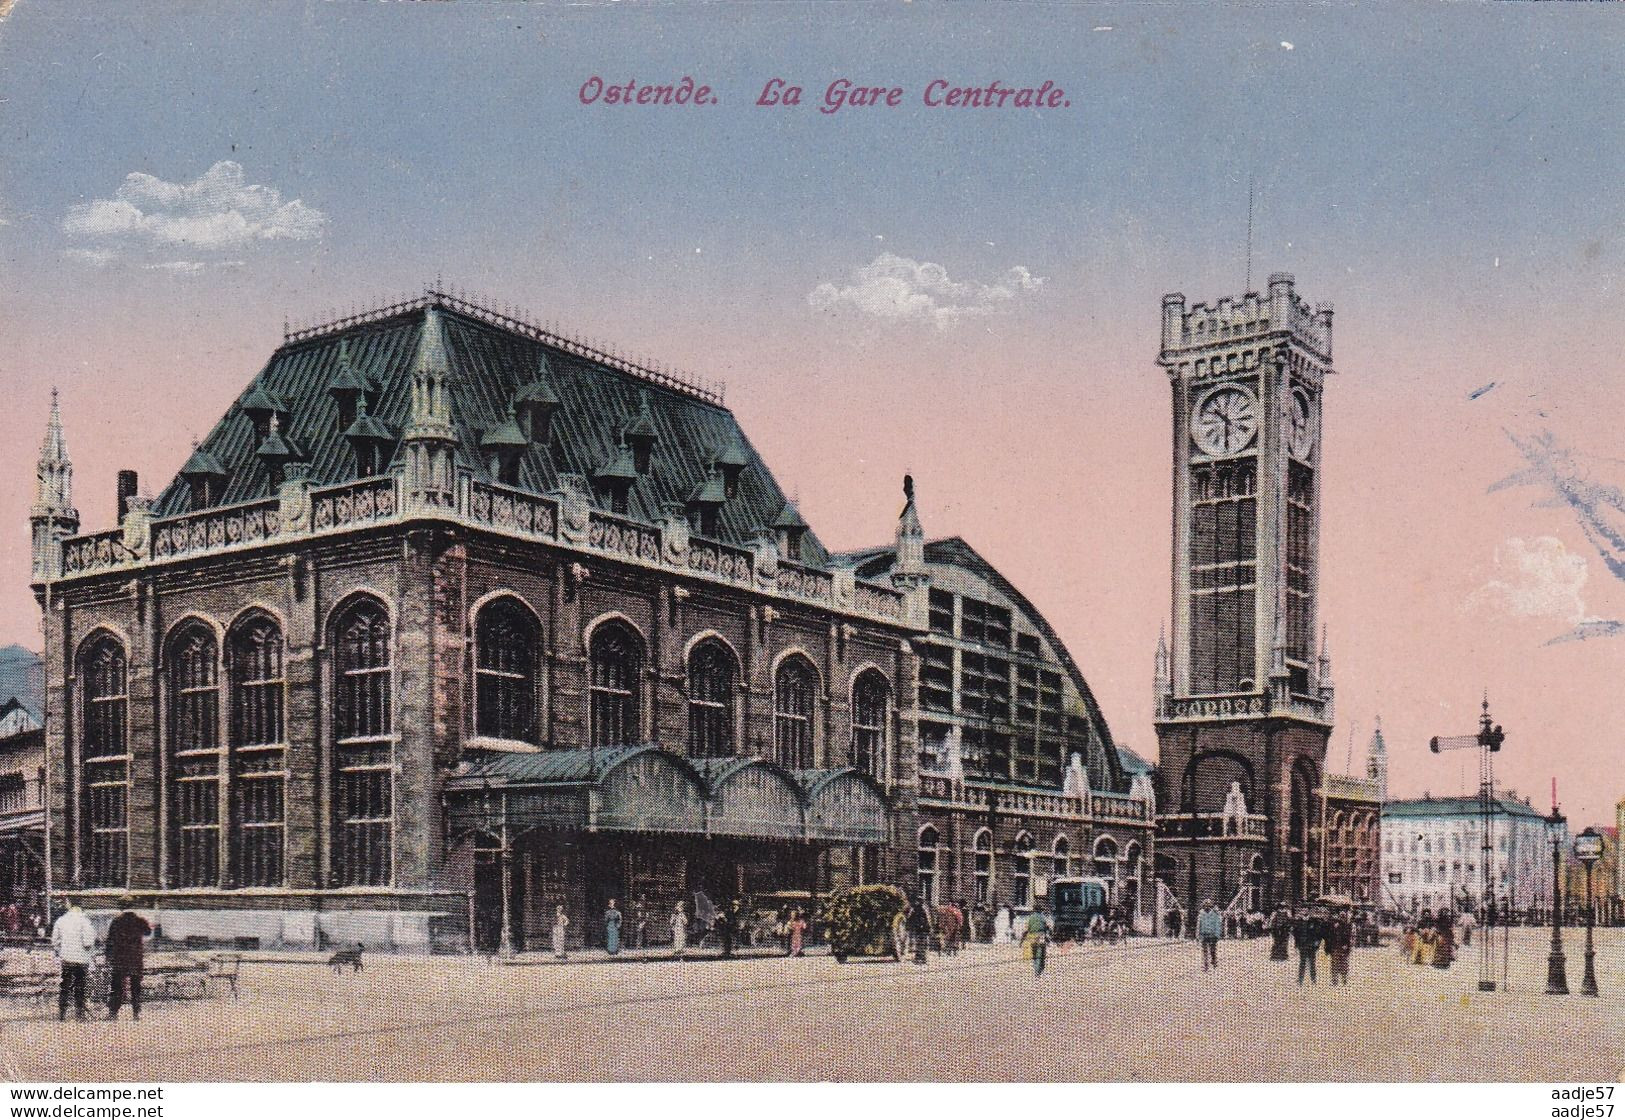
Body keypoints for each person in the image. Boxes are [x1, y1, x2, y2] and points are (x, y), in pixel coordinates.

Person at [105, 897, 151, 1021]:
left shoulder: (116, 921)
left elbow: (109, 941)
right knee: (136, 986)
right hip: (135, 959)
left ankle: (113, 1012)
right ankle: (136, 1013)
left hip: (119, 959)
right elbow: (148, 932)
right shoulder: (139, 920)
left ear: (121, 907)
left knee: (117, 986)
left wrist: (108, 956)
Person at [51, 902, 96, 1022]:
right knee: (80, 986)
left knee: (65, 985)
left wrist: (62, 949)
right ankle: (79, 1014)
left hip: (66, 958)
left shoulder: (61, 920)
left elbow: (55, 941)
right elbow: (88, 942)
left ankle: (62, 1013)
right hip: (81, 960)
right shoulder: (85, 921)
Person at [1292, 908, 1322, 985]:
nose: (1304, 912)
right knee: (1302, 963)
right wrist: (1296, 944)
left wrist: (1317, 943)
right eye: (1303, 910)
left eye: (1306, 910)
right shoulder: (1298, 922)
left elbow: (1318, 933)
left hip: (1311, 945)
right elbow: (1296, 934)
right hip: (1302, 945)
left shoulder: (1314, 921)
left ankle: (1313, 980)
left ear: (1309, 912)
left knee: (1312, 963)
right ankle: (1300, 980)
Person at [1326, 908, 1353, 986]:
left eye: (1343, 916)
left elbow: (1349, 937)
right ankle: (1334, 980)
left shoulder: (1348, 925)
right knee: (1334, 964)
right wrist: (1334, 927)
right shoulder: (1335, 924)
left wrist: (1347, 945)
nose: (1342, 918)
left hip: (1344, 948)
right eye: (1341, 916)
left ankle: (1344, 980)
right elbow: (1330, 935)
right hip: (1335, 947)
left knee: (1344, 964)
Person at [1021, 907, 1052, 977]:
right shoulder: (1043, 918)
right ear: (1040, 911)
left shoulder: (1030, 918)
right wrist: (1049, 936)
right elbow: (1048, 927)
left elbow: (1025, 929)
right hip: (1041, 937)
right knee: (1040, 954)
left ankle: (1036, 970)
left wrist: (1022, 940)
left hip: (1032, 937)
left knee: (1034, 954)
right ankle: (1039, 972)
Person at [1196, 898, 1223, 971]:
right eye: (1205, 905)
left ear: (1210, 906)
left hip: (1212, 935)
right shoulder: (1201, 914)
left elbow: (1217, 925)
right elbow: (1199, 925)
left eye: (1208, 905)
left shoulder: (1215, 914)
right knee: (1204, 951)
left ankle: (1214, 962)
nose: (1207, 907)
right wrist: (1197, 935)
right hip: (1204, 934)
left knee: (1212, 950)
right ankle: (1205, 965)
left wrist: (1217, 935)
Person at [905, 895, 932, 964]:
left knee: (919, 943)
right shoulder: (924, 908)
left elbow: (910, 917)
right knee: (923, 943)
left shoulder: (915, 908)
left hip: (919, 928)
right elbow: (928, 918)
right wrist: (929, 927)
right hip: (923, 928)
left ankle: (920, 957)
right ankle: (922, 958)